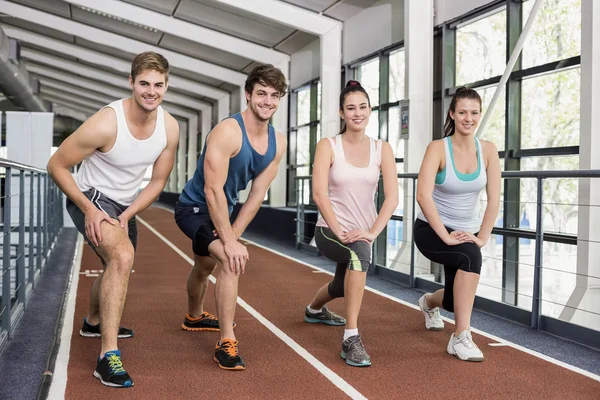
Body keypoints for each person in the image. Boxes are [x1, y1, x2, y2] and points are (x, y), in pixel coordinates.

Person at [47, 51, 179, 387]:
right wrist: (89, 208)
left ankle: (93, 321)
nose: (151, 91)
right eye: (145, 83)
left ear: (166, 86)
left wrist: (130, 211)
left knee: (116, 266)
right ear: (132, 82)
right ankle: (108, 356)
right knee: (122, 257)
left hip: (124, 205)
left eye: (158, 85)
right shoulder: (107, 122)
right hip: (90, 198)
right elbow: (57, 166)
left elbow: (158, 181)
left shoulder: (169, 128)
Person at [175, 64, 287, 371]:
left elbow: (256, 194)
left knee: (203, 266)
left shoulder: (278, 143)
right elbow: (211, 190)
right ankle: (226, 343)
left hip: (223, 211)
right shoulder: (228, 132)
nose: (268, 101)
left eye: (275, 95)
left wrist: (233, 233)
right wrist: (228, 241)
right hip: (194, 209)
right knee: (228, 259)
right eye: (261, 93)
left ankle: (194, 317)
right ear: (248, 95)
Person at [304, 80, 398, 367]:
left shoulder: (382, 149)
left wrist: (371, 232)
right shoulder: (328, 145)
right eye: (350, 108)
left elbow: (392, 198)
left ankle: (314, 309)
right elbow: (319, 194)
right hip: (329, 230)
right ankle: (351, 338)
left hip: (362, 234)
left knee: (342, 285)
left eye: (362, 107)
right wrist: (341, 233)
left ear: (370, 111)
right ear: (342, 113)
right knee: (359, 255)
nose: (357, 113)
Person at [414, 86, 501, 362]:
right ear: (452, 114)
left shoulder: (487, 150)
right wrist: (447, 236)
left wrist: (482, 237)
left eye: (474, 112)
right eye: (462, 112)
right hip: (431, 229)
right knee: (470, 256)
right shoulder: (438, 148)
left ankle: (428, 303)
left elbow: (495, 199)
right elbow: (422, 196)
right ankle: (460, 337)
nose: (469, 118)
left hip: (466, 233)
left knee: (453, 301)